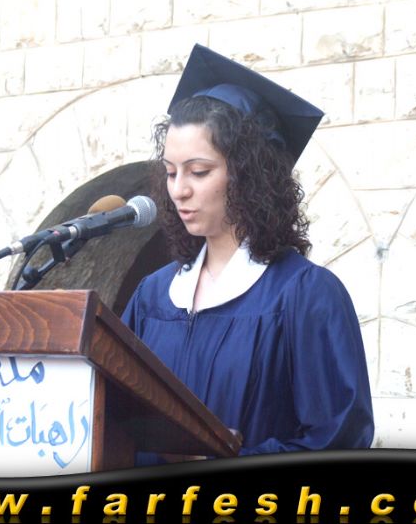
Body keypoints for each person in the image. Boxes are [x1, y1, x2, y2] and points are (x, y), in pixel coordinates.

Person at [122, 45, 374, 458]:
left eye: (199, 171)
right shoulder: (153, 296)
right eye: (170, 172)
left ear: (249, 175)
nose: (179, 190)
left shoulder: (306, 297)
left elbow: (337, 442)